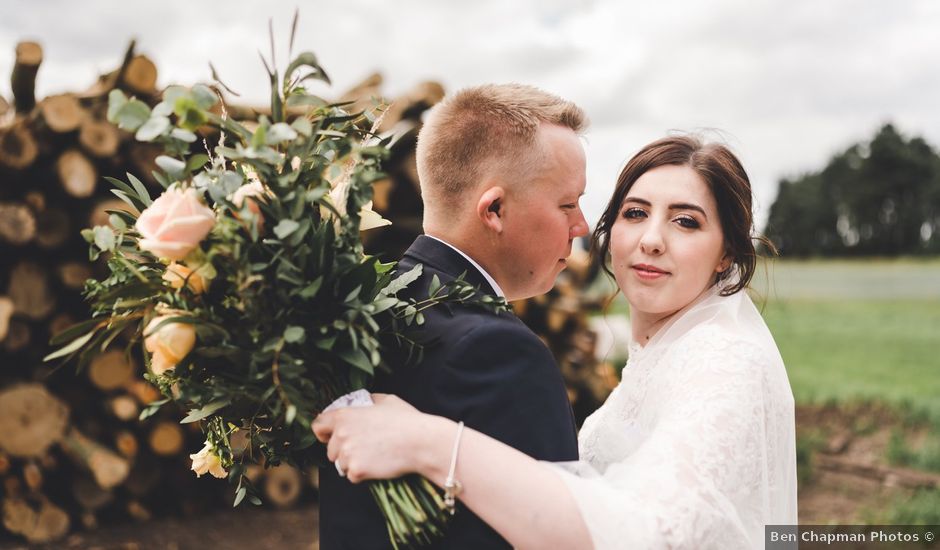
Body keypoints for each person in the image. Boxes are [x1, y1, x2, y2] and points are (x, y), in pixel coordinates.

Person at [313, 135, 798, 549]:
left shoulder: (725, 359)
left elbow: (649, 534)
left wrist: (427, 441)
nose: (652, 239)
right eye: (635, 213)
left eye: (685, 221)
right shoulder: (657, 361)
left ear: (727, 253)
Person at [316, 84, 591, 549]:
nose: (581, 225)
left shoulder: (358, 313)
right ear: (495, 209)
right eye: (568, 203)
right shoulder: (501, 354)